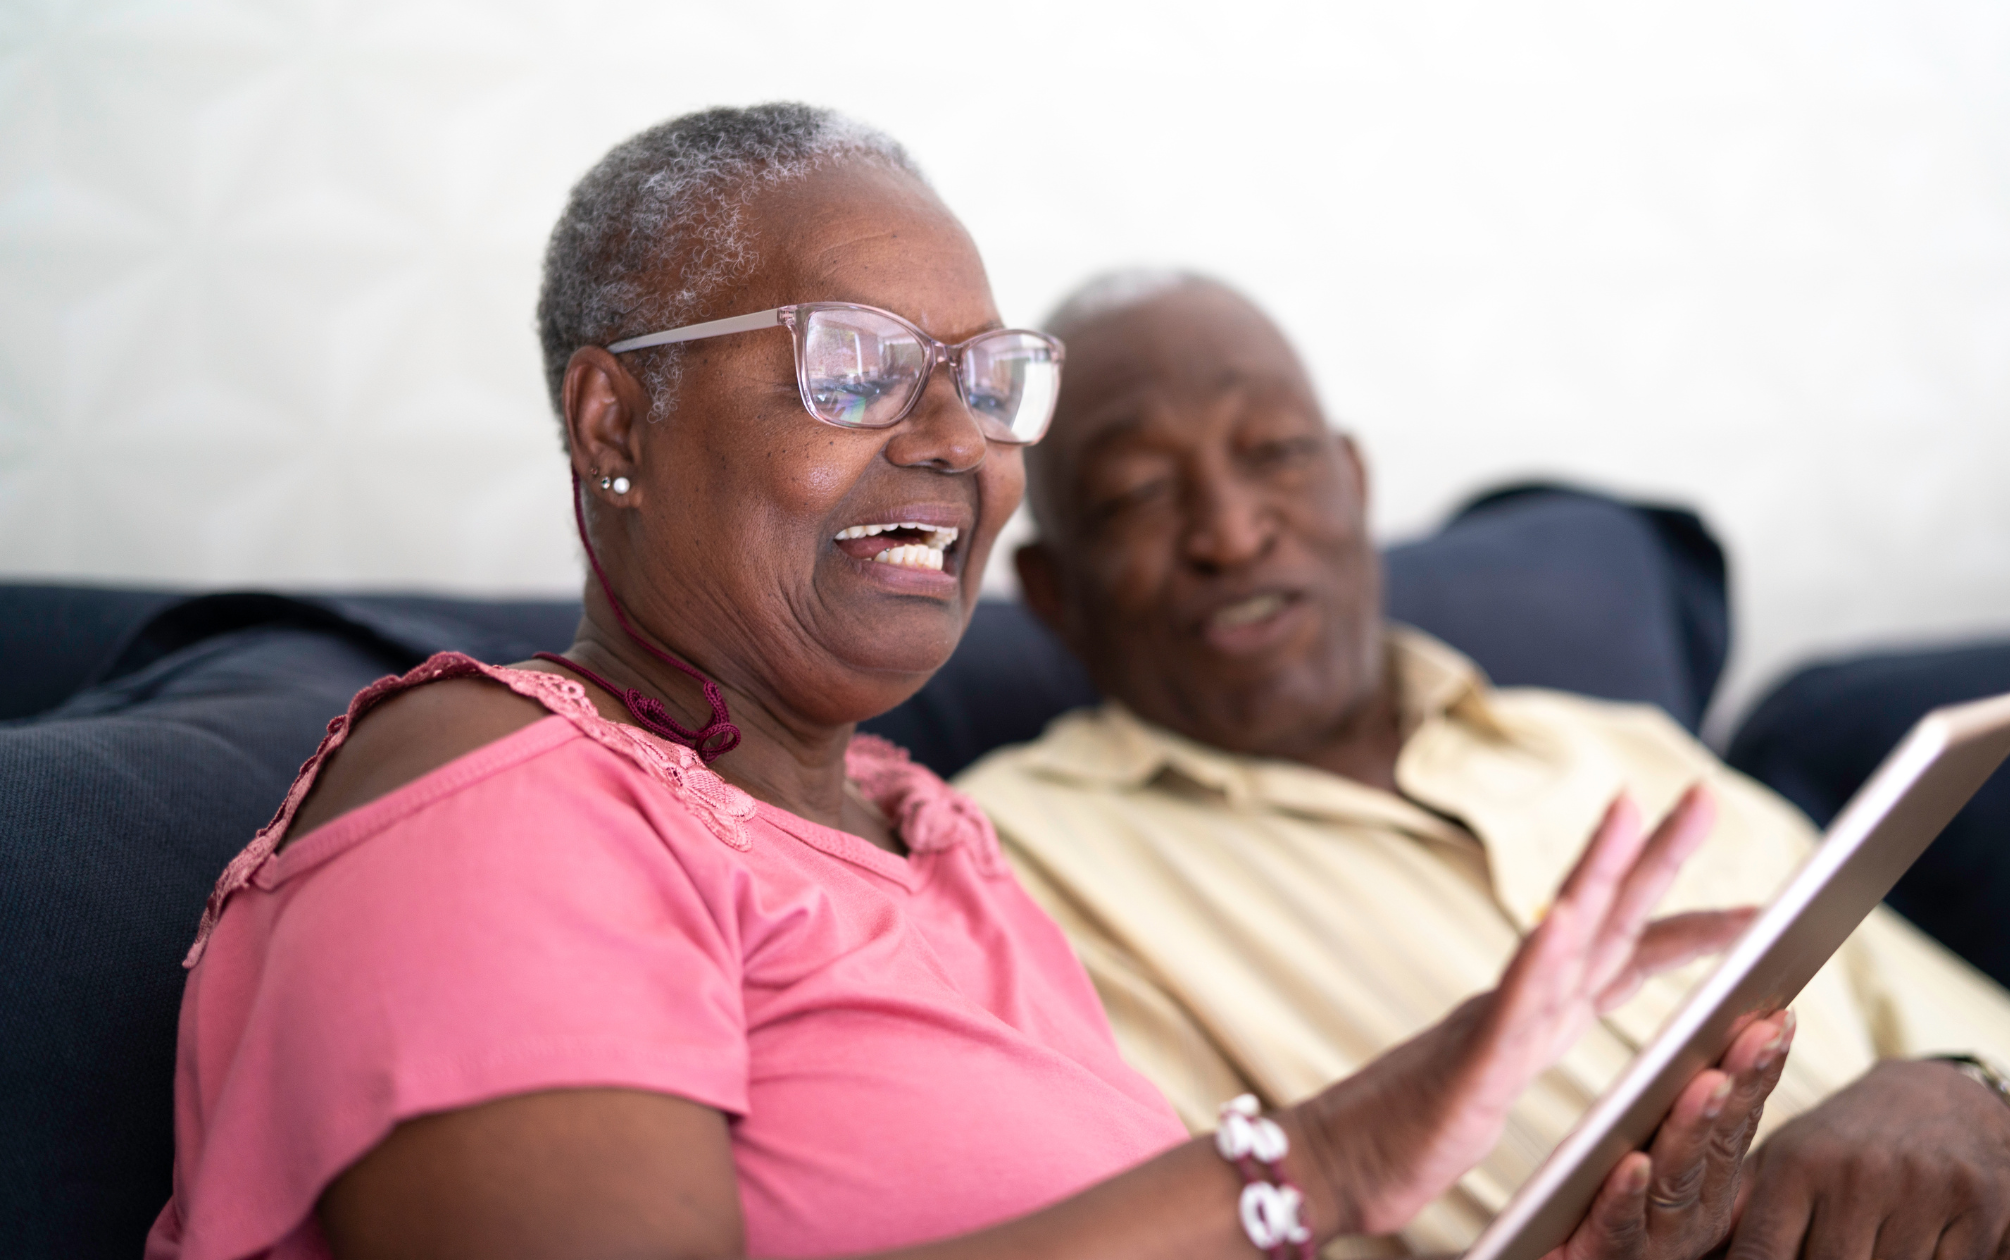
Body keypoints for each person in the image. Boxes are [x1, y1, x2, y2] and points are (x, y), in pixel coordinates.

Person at [150, 106, 1792, 1260]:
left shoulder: (929, 842)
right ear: (613, 426)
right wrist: (1327, 1159)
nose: (950, 438)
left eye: (986, 382)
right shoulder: (499, 797)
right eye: (853, 363)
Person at [958, 270, 2010, 1259]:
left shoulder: (1608, 742)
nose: (1232, 533)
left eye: (1276, 456)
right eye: (1136, 495)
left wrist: (1961, 1098)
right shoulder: (1015, 863)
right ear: (1056, 596)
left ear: (1351, 487)